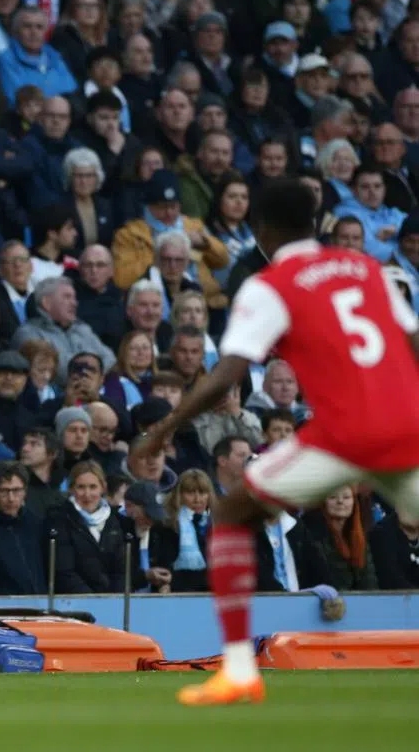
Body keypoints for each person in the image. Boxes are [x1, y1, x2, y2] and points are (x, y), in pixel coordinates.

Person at [132, 178, 419, 706]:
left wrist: (160, 431)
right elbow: (413, 340)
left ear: (261, 230)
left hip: (345, 434)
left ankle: (240, 669)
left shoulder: (273, 284)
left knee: (231, 513)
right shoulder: (368, 269)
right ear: (315, 225)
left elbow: (223, 379)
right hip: (409, 424)